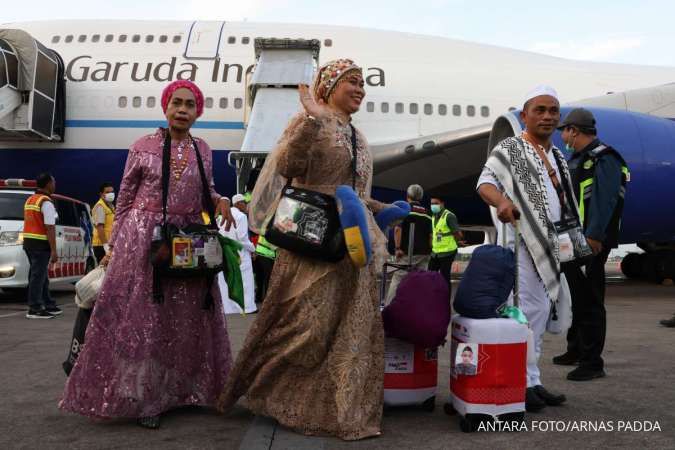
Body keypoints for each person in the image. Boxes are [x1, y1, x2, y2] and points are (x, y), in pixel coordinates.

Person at [218, 59, 389, 440]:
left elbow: (355, 190)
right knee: (306, 326)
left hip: (350, 244)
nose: (361, 89)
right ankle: (267, 387)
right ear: (328, 87)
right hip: (311, 238)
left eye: (363, 83)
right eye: (352, 82)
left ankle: (338, 409)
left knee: (349, 330)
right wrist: (312, 121)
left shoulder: (357, 135)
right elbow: (288, 165)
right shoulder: (307, 120)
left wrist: (380, 210)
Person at [59, 80, 235, 429]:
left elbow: (208, 190)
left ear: (198, 112)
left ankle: (180, 391)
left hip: (184, 242)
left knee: (181, 321)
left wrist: (222, 200)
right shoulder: (143, 146)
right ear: (165, 106)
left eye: (190, 105)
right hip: (143, 242)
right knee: (146, 323)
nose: (182, 110)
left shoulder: (203, 149)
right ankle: (145, 399)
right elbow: (123, 201)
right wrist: (118, 247)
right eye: (177, 103)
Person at [477, 85, 569, 413]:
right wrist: (502, 200)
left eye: (553, 111)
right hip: (523, 243)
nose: (547, 116)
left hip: (552, 245)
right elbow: (485, 183)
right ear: (525, 115)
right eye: (540, 110)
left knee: (541, 312)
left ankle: (532, 379)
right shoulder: (511, 148)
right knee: (527, 312)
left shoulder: (557, 155)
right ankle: (521, 382)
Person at [553, 108, 628, 381]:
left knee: (591, 300)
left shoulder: (604, 158)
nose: (562, 135)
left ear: (574, 130)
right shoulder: (578, 159)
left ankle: (592, 362)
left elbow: (605, 199)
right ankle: (575, 350)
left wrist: (594, 236)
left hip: (591, 240)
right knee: (576, 297)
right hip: (574, 240)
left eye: (564, 130)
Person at [385, 184, 433, 304]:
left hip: (407, 252)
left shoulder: (405, 209)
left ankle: (389, 307)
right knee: (420, 281)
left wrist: (397, 248)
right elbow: (431, 236)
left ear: (408, 196)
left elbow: (397, 229)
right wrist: (429, 250)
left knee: (398, 278)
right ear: (421, 197)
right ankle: (418, 307)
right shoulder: (427, 213)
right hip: (424, 253)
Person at [23, 173, 61, 319]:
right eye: (54, 182)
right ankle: (35, 308)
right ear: (48, 184)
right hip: (40, 244)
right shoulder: (46, 202)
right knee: (38, 276)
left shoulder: (30, 200)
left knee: (40, 275)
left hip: (29, 243)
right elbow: (50, 227)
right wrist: (54, 250)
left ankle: (48, 303)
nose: (55, 185)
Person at [219, 193, 257, 314]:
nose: (246, 206)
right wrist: (253, 249)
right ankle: (247, 308)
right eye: (245, 203)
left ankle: (228, 309)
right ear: (239, 204)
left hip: (225, 253)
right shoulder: (241, 216)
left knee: (226, 281)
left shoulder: (221, 216)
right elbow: (242, 238)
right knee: (245, 281)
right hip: (239, 253)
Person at [428, 196, 463, 299]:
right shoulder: (434, 216)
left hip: (448, 251)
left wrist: (457, 242)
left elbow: (457, 233)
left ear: (442, 203)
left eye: (436, 203)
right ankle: (432, 296)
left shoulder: (449, 216)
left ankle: (445, 300)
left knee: (444, 277)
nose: (433, 205)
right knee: (430, 275)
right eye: (432, 203)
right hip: (435, 252)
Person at [91, 182, 116, 263]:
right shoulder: (100, 206)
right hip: (101, 245)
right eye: (107, 192)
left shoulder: (111, 206)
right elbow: (100, 227)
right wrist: (106, 246)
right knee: (103, 272)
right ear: (101, 194)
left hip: (109, 244)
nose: (111, 194)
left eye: (112, 192)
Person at [252, 234, 276, 304]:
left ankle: (259, 297)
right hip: (266, 253)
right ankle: (265, 298)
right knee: (267, 276)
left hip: (263, 253)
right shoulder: (270, 227)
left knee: (261, 276)